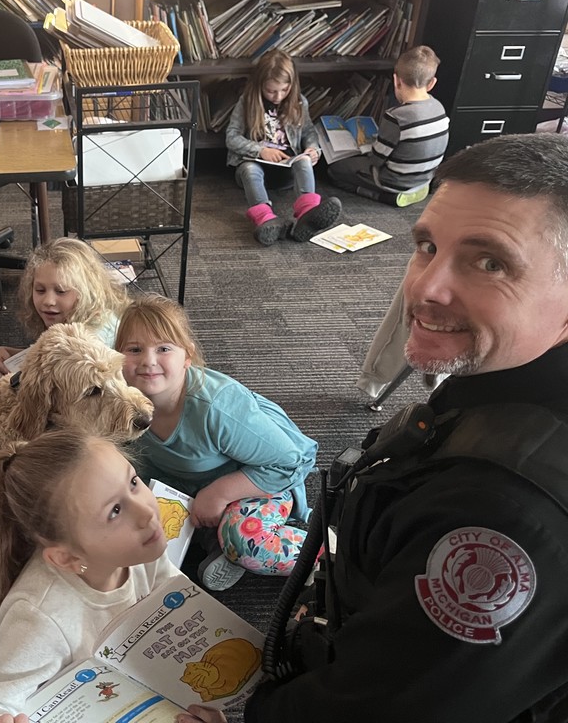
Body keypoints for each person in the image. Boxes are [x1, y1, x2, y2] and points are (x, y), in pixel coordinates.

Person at [241, 133, 568, 722]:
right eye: (426, 245)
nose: (425, 288)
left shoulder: (504, 516)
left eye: (489, 261)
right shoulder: (497, 382)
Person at [0, 429, 176, 723]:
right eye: (115, 511)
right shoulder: (40, 616)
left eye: (133, 482)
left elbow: (171, 597)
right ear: (67, 558)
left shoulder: (142, 550)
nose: (146, 512)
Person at [115, 294, 318, 592]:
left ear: (187, 357)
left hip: (258, 483)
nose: (148, 360)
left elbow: (292, 461)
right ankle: (217, 545)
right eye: (134, 349)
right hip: (190, 489)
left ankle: (325, 554)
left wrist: (219, 493)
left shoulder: (216, 408)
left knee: (244, 542)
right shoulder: (119, 402)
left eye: (163, 348)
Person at [225, 49, 342, 246]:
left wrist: (313, 150)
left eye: (284, 90)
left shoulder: (299, 102)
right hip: (255, 168)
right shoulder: (247, 101)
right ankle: (265, 219)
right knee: (248, 168)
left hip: (287, 170)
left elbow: (309, 132)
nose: (278, 96)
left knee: (303, 161)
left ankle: (308, 213)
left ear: (292, 86)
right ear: (259, 84)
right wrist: (260, 150)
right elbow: (231, 137)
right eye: (271, 91)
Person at [327, 45, 450, 207]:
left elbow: (376, 160)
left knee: (334, 170)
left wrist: (363, 149)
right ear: (432, 83)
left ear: (396, 80)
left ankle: (387, 197)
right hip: (425, 177)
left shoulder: (396, 116)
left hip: (393, 181)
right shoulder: (439, 107)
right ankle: (417, 190)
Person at [0, 237, 130, 377]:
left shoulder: (90, 343)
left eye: (61, 291)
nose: (49, 301)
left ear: (86, 291)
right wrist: (11, 355)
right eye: (40, 290)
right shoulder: (78, 317)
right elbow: (50, 355)